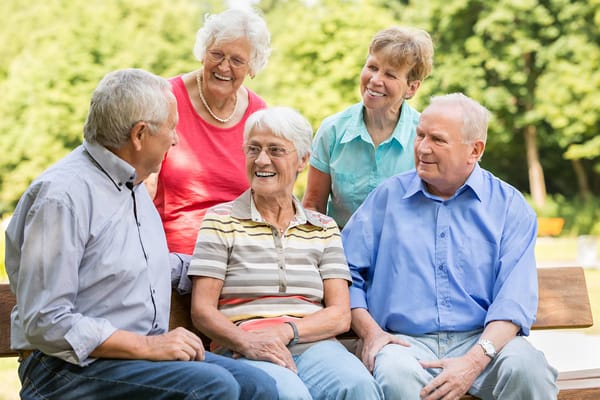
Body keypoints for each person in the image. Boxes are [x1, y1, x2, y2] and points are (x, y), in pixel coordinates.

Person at [4, 68, 277, 400]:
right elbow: (47, 322)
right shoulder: (62, 197)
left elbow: (151, 264)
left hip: (130, 360)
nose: (176, 139)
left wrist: (231, 267)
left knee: (258, 386)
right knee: (214, 388)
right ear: (139, 135)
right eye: (172, 128)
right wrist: (149, 346)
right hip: (63, 368)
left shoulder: (130, 184)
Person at [342, 93, 559, 399]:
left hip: (483, 342)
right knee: (394, 373)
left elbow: (513, 301)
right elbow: (345, 273)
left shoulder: (509, 206)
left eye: (438, 140)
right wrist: (371, 333)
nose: (423, 148)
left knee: (528, 368)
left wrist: (473, 360)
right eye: (420, 135)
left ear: (475, 150)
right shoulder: (387, 198)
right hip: (405, 344)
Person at [188, 106, 384, 400]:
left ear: (303, 160)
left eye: (275, 150)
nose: (262, 160)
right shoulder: (221, 221)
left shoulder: (323, 227)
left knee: (359, 387)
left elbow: (340, 315)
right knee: (289, 395)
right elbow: (202, 311)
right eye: (253, 149)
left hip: (316, 346)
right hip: (246, 349)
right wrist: (246, 342)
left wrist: (287, 331)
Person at [146, 7, 271, 256]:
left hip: (239, 258)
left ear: (252, 67)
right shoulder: (164, 99)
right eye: (217, 54)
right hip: (173, 258)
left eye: (237, 60)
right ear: (203, 53)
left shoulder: (259, 115)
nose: (224, 67)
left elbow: (268, 196)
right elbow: (143, 186)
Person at [303, 26, 434, 227]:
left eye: (390, 75)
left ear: (412, 88)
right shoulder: (332, 130)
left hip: (403, 253)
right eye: (372, 67)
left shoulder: (425, 137)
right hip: (341, 253)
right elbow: (313, 206)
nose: (375, 80)